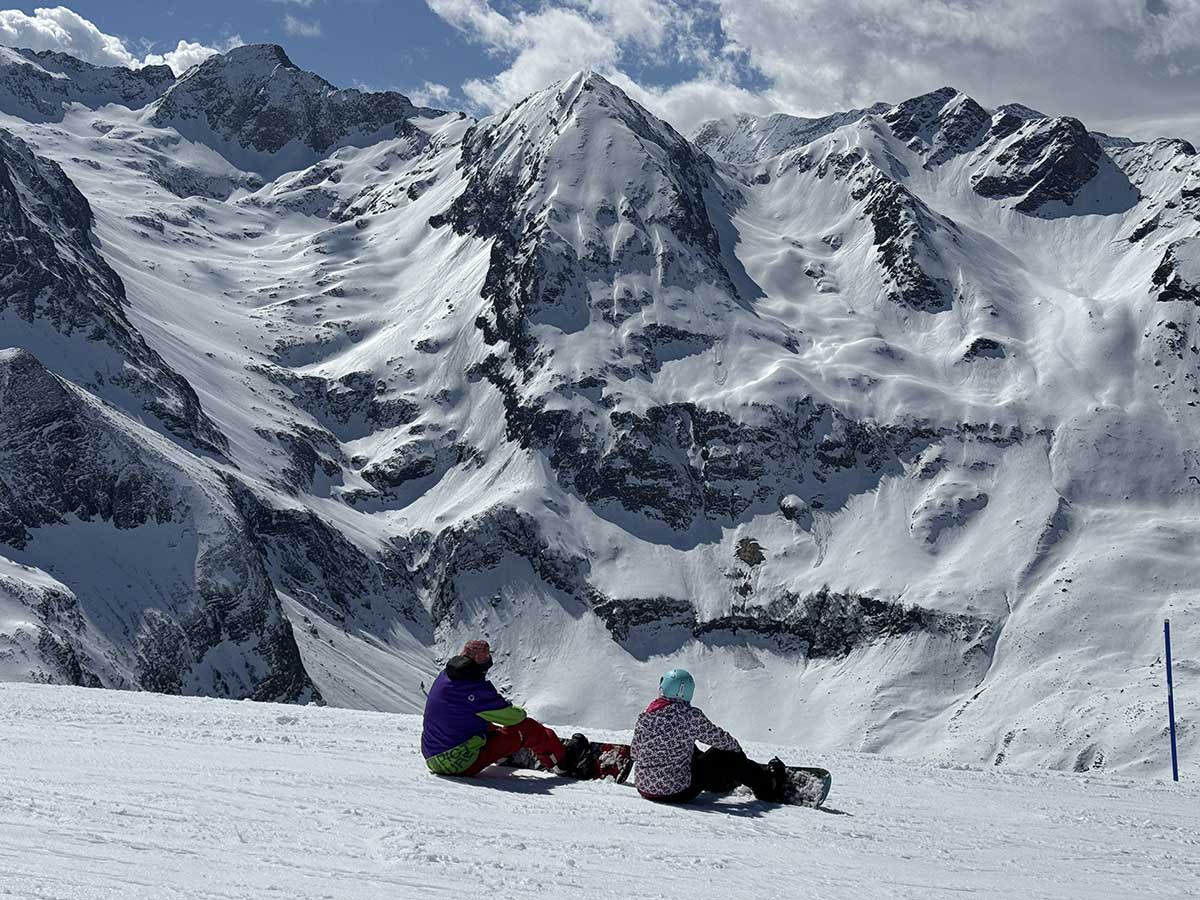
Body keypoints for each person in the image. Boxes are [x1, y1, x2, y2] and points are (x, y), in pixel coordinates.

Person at [421, 639, 587, 777]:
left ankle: (503, 755)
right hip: (458, 762)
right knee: (527, 728)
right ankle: (562, 762)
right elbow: (514, 717)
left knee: (483, 722)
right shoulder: (474, 689)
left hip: (432, 755)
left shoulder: (446, 677)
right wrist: (520, 713)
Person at [631, 667, 787, 803]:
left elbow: (634, 753)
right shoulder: (689, 715)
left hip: (645, 788)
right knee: (726, 754)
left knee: (685, 746)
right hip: (677, 792)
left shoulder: (646, 715)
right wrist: (738, 755)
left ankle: (723, 781)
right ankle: (767, 786)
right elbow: (721, 740)